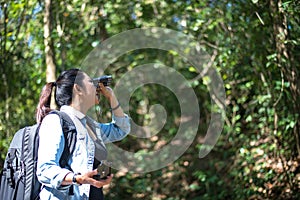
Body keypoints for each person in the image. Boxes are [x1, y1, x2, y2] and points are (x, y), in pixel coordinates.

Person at [36, 68, 130, 199]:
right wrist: (78, 179)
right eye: (91, 82)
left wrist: (111, 97)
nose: (97, 87)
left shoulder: (91, 126)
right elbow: (44, 169)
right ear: (78, 89)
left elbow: (121, 130)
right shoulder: (55, 121)